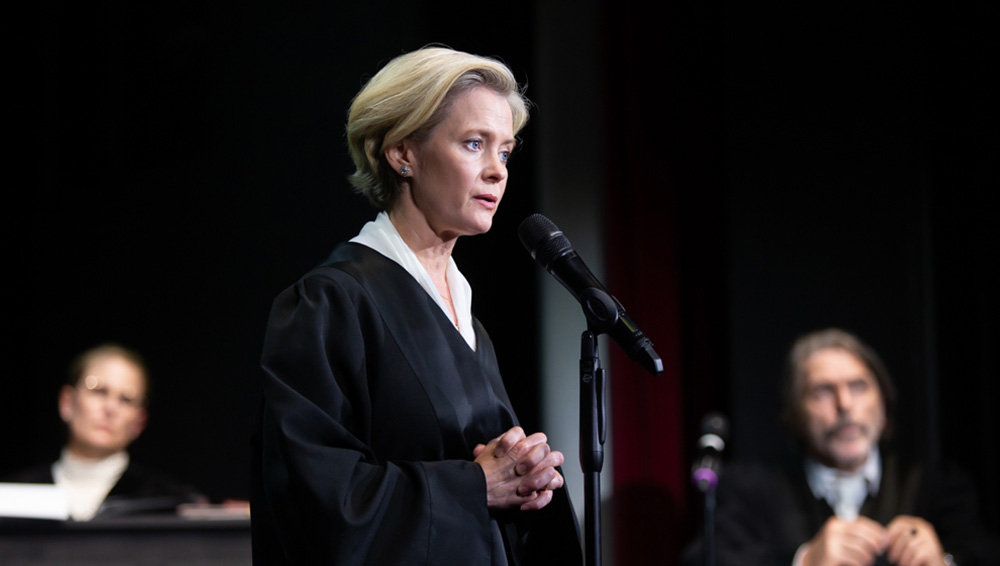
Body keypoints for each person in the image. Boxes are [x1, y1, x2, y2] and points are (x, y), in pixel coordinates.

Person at [250, 46, 583, 565]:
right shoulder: (329, 303)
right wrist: (475, 486)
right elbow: (314, 500)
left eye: (504, 152)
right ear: (402, 153)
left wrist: (525, 478)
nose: (497, 171)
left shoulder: (463, 314)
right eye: (474, 143)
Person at [681, 328, 1000, 566]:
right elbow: (705, 559)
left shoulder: (936, 484)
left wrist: (943, 561)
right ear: (793, 413)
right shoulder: (751, 490)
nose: (844, 404)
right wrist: (804, 561)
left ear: (884, 403)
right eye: (822, 392)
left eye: (858, 387)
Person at [2, 343, 205, 521]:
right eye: (98, 391)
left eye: (126, 399)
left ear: (139, 422)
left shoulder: (169, 502)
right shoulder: (12, 496)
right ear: (67, 402)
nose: (110, 408)